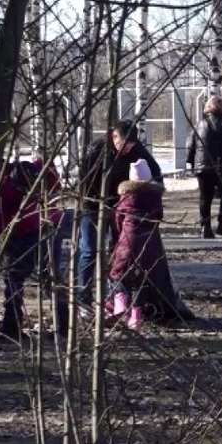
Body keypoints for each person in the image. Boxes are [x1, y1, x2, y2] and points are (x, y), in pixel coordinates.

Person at [78, 119, 162, 305]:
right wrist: (97, 203)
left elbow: (155, 171)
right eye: (124, 146)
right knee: (89, 251)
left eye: (131, 146)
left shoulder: (136, 148)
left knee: (119, 252)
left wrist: (152, 194)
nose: (127, 150)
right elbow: (84, 182)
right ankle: (82, 296)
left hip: (120, 209)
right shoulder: (97, 151)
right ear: (114, 136)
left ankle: (114, 296)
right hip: (93, 207)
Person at [0, 158, 68, 339]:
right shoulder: (30, 170)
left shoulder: (1, 187)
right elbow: (55, 185)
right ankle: (64, 327)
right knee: (52, 278)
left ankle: (11, 327)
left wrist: (2, 237)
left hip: (22, 233)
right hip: (49, 226)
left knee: (14, 279)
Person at [108, 159, 166, 329]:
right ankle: (136, 317)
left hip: (128, 240)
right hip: (148, 242)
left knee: (117, 273)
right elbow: (158, 218)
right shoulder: (155, 198)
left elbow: (117, 219)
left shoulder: (127, 197)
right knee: (141, 279)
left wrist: (118, 236)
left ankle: (119, 304)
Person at [186, 95, 222, 238]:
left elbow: (190, 145)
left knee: (205, 198)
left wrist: (191, 162)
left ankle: (205, 227)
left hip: (204, 167)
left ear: (207, 108)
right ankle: (221, 225)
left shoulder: (200, 125)